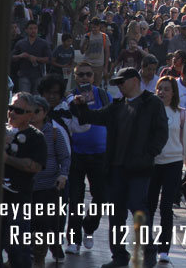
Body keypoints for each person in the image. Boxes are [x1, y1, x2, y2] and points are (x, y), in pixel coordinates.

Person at [71, 67, 168, 268]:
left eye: (122, 82)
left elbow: (161, 132)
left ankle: (148, 251)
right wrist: (81, 107)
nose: (119, 86)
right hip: (117, 168)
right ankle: (119, 256)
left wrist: (149, 153)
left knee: (138, 208)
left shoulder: (152, 103)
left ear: (134, 80)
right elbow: (93, 117)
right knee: (116, 214)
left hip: (140, 168)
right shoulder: (117, 106)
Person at [0, 91, 47, 268]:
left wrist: (7, 159)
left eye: (18, 110)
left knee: (18, 250)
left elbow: (34, 166)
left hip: (18, 201)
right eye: (10, 108)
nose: (12, 113)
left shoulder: (36, 137)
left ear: (30, 114)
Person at [63, 62, 112, 256]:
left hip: (100, 154)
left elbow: (111, 118)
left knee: (101, 197)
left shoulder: (103, 95)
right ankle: (73, 240)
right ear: (76, 77)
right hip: (76, 154)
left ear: (94, 77)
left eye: (88, 75)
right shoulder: (69, 99)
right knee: (75, 199)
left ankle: (89, 227)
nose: (85, 78)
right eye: (81, 75)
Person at [146, 76, 186, 267]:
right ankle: (147, 244)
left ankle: (164, 248)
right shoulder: (149, 113)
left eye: (166, 89)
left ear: (173, 92)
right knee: (148, 206)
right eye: (160, 88)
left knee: (166, 207)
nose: (162, 92)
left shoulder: (181, 114)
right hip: (152, 164)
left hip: (173, 163)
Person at [29, 94, 70, 268]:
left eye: (36, 111)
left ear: (45, 113)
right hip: (24, 186)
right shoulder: (19, 131)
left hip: (47, 187)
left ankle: (39, 256)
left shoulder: (53, 132)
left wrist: (63, 175)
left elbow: (65, 157)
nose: (32, 115)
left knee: (43, 223)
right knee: (24, 223)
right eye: (28, 111)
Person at [12, 19, 52, 94]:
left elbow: (49, 59)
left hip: (38, 75)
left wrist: (36, 58)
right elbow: (12, 57)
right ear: (26, 30)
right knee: (24, 97)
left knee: (36, 98)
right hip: (24, 74)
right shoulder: (21, 43)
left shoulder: (43, 43)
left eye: (35, 28)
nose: (33, 30)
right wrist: (20, 56)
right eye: (30, 28)